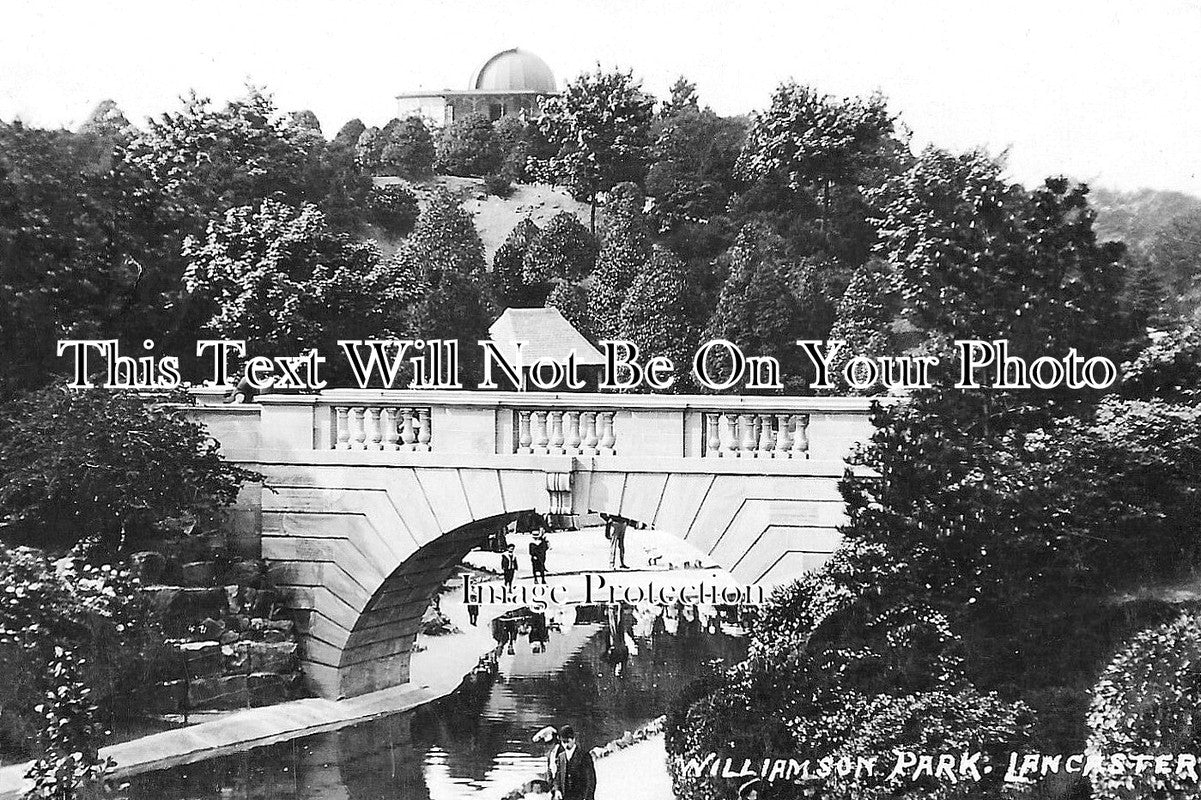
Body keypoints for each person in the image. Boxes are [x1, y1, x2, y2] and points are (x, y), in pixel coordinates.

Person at [553, 725, 596, 800]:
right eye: (563, 742)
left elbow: (591, 780)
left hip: (581, 797)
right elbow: (558, 777)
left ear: (573, 739)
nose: (566, 745)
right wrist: (557, 790)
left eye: (568, 741)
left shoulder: (584, 756)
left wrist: (587, 798)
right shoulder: (561, 757)